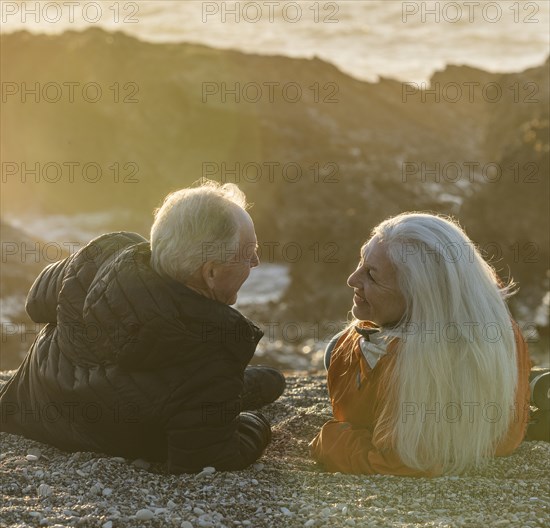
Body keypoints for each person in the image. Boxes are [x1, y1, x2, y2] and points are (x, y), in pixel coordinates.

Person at [0, 180, 285, 473]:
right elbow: (211, 458)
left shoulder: (104, 254)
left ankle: (239, 391)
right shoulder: (213, 351)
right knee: (262, 384)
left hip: (27, 412)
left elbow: (36, 303)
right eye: (249, 251)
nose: (256, 260)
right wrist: (258, 423)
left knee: (265, 382)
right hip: (108, 430)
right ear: (210, 273)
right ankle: (237, 395)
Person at [310, 213, 532, 476]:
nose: (352, 279)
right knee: (338, 345)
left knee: (334, 349)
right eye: (361, 261)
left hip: (401, 384)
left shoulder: (416, 365)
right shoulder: (493, 322)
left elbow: (401, 462)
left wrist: (328, 439)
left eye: (371, 275)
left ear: (420, 296)